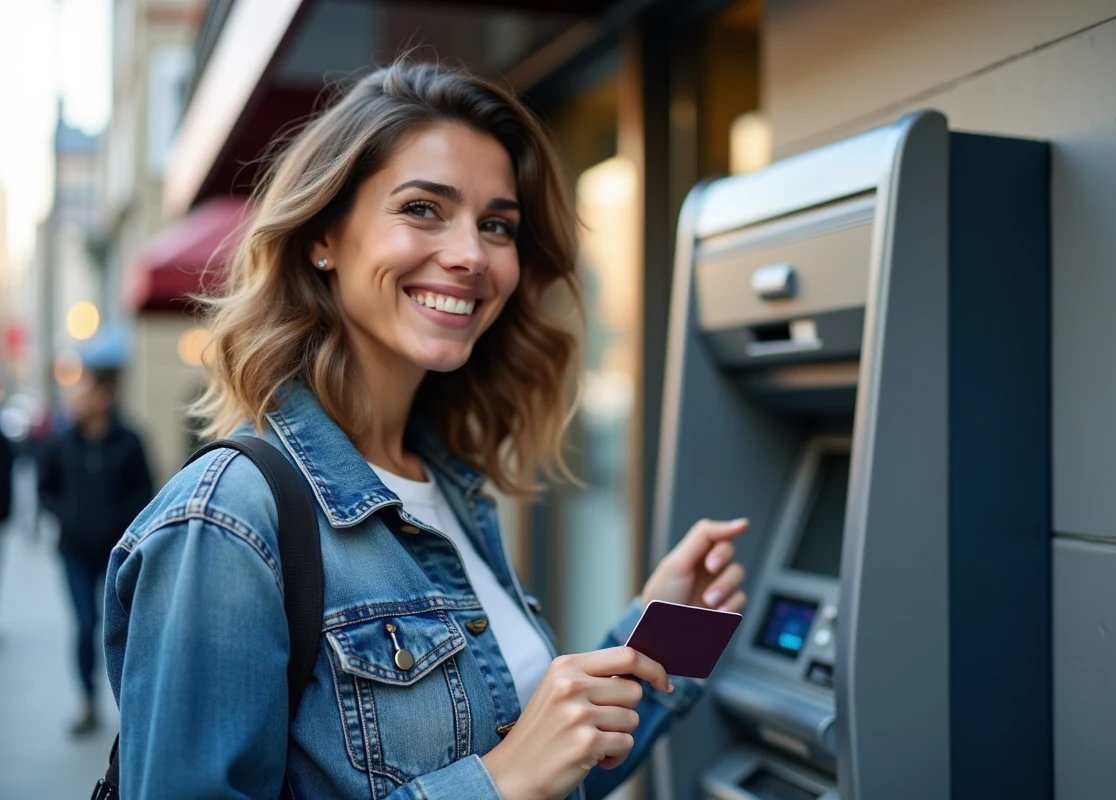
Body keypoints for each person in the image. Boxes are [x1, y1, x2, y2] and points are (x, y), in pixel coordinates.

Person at [104, 57, 749, 800]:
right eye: (421, 209)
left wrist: (654, 635)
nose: (471, 255)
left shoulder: (444, 486)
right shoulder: (229, 520)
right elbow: (508, 779)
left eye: (497, 225)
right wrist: (495, 785)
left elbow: (546, 774)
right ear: (324, 236)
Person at [38, 366, 152, 735]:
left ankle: (133, 702)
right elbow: (46, 489)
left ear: (103, 396)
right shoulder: (61, 442)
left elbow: (144, 491)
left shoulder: (130, 440)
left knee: (126, 626)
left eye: (82, 391)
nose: (75, 399)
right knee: (86, 624)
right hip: (74, 551)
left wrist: (120, 520)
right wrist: (66, 516)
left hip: (117, 553)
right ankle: (87, 701)